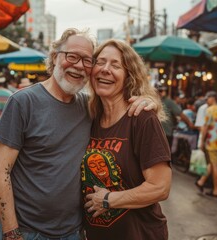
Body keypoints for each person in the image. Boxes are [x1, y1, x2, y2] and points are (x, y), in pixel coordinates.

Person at [0, 28, 160, 240]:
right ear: (54, 58)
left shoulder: (88, 108)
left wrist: (149, 102)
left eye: (87, 61)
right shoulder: (22, 102)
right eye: (72, 56)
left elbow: (119, 107)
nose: (79, 65)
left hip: (74, 232)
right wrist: (11, 232)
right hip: (27, 232)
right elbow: (0, 172)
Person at [81, 39, 171, 240]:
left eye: (115, 65)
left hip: (140, 234)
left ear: (128, 76)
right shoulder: (89, 118)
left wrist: (108, 200)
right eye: (100, 62)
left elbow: (160, 187)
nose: (105, 69)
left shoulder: (141, 118)